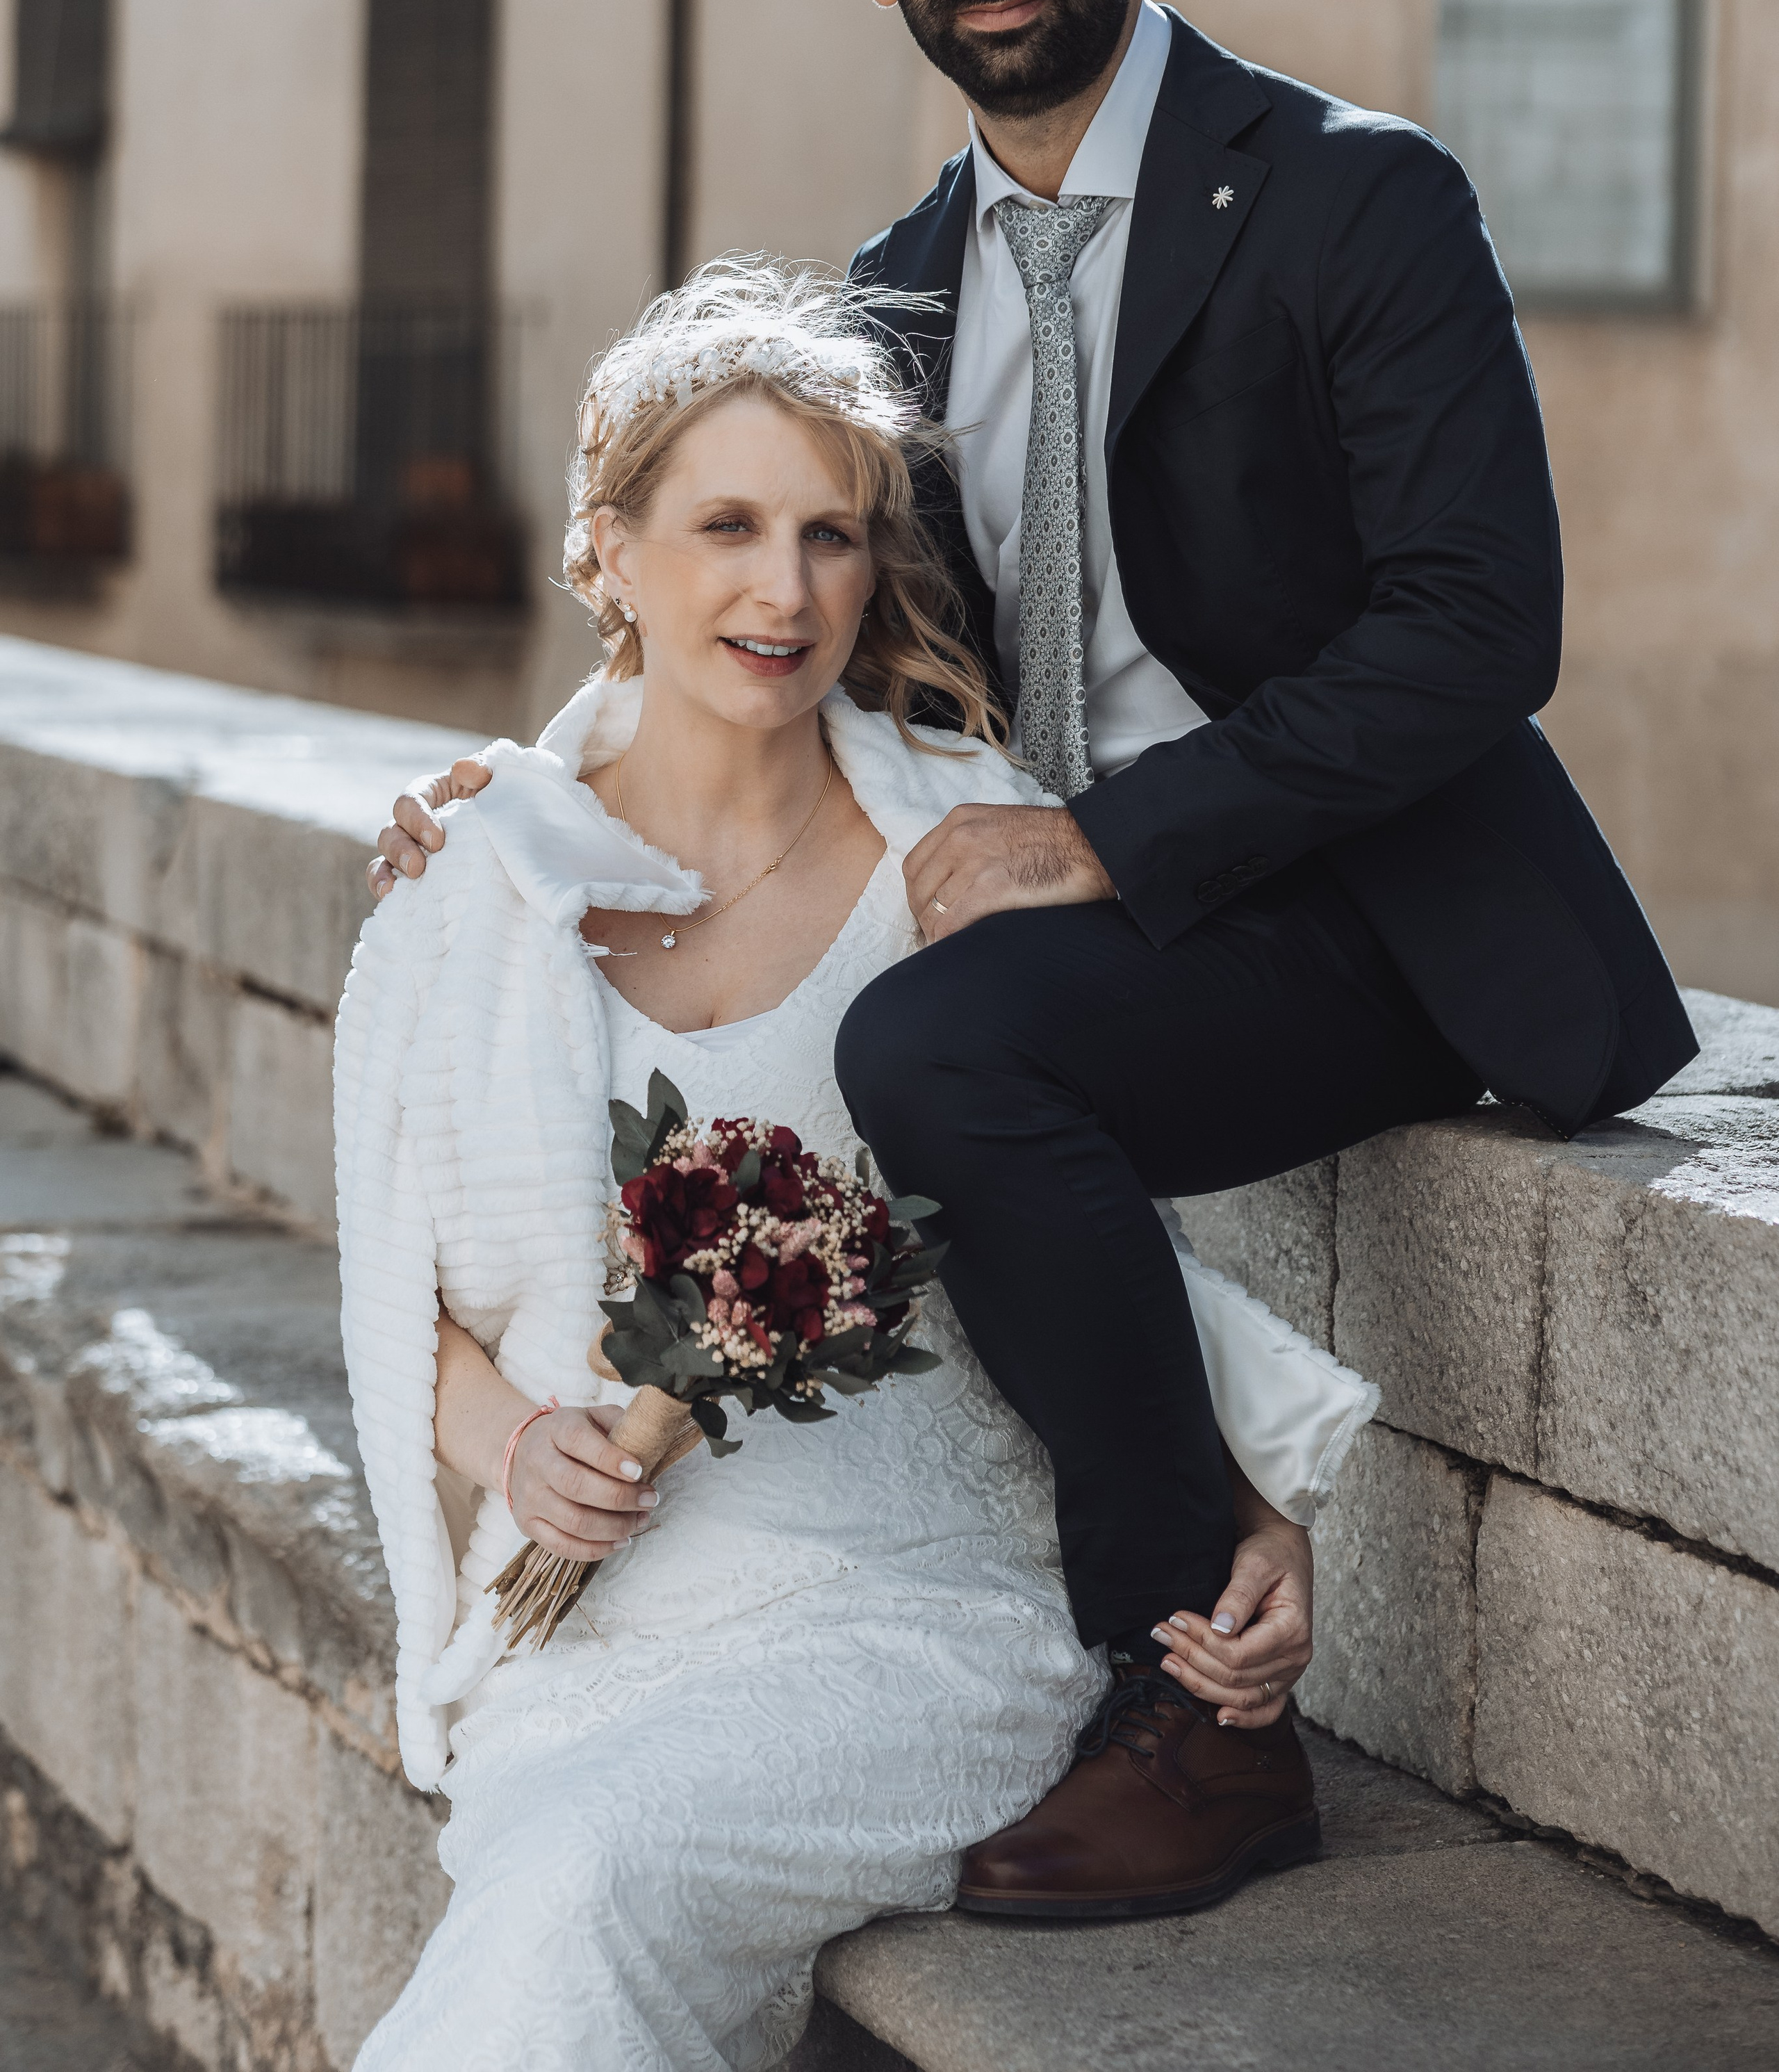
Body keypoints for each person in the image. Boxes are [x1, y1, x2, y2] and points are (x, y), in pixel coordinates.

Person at [372, 0, 1697, 1924]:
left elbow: (1479, 631)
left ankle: (1201, 1709)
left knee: (923, 1047)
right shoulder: (892, 298)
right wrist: (528, 775)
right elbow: (775, 623)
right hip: (1087, 950)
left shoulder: (1357, 199)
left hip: (1366, 918)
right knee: (848, 1044)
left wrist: (1109, 839)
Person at [339, 266, 1370, 2070]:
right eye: (726, 524)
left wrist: (1242, 1513)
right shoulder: (479, 885)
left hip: (926, 1610)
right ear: (609, 551)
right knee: (567, 1855)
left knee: (588, 1874)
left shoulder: (960, 856)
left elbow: (1074, 1229)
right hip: (598, 1623)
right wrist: (516, 1442)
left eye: (831, 534)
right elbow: (388, 1287)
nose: (785, 588)